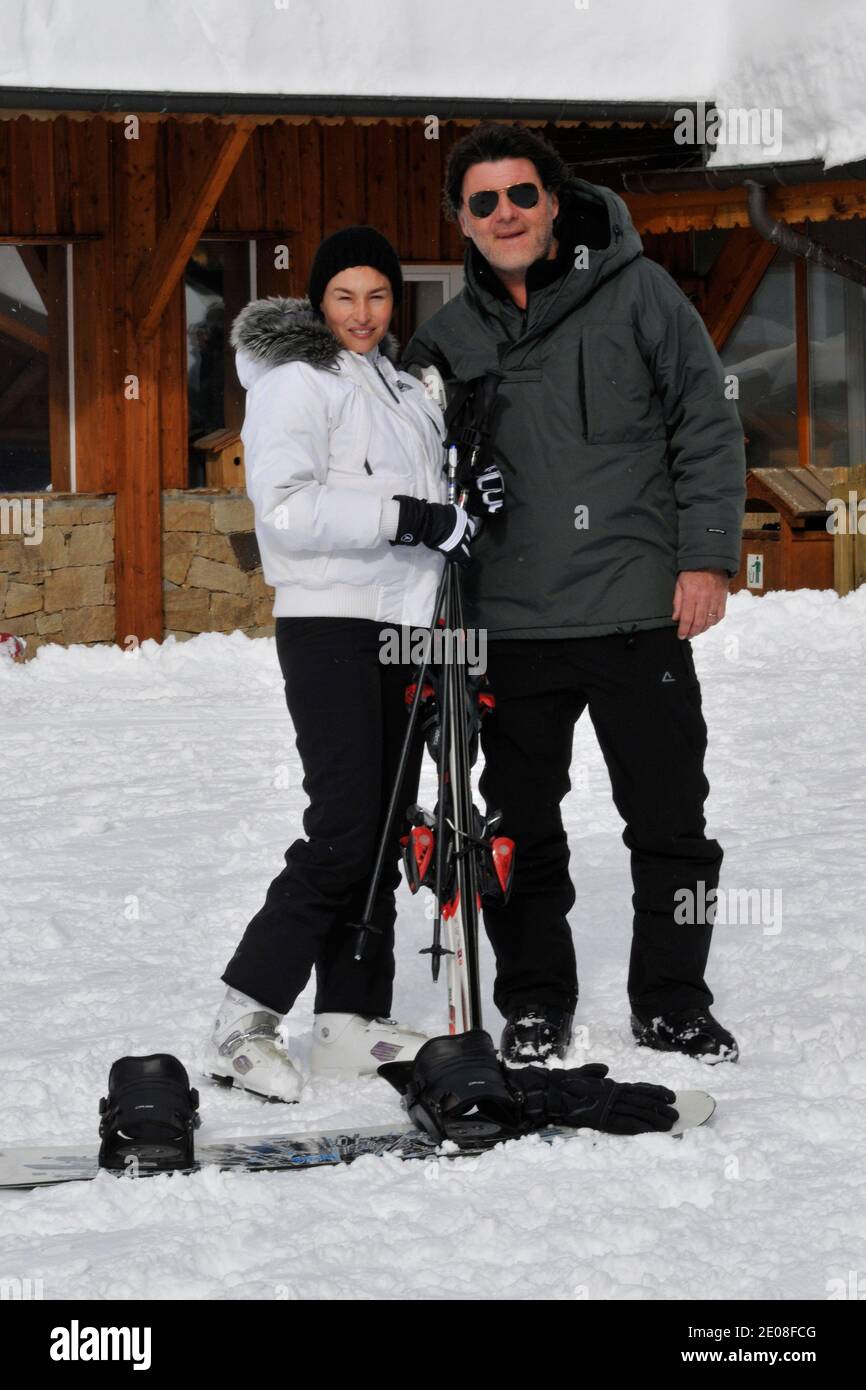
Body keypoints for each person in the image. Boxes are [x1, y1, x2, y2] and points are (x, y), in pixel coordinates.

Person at [403, 124, 746, 1066]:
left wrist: (707, 557)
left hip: (640, 611)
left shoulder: (640, 292)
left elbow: (705, 424)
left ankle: (674, 1001)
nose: (505, 214)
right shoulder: (445, 339)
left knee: (673, 824)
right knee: (518, 828)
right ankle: (536, 1002)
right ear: (461, 221)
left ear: (555, 202)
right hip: (506, 625)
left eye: (521, 195)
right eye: (483, 202)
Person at [203, 227, 479, 1101]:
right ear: (317, 304)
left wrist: (468, 493)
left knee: (388, 823)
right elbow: (283, 511)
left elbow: (434, 504)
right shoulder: (295, 383)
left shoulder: (404, 389)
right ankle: (243, 1015)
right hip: (329, 625)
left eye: (379, 297)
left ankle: (349, 1018)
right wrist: (409, 517)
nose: (363, 315)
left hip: (404, 623)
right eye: (344, 297)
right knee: (344, 825)